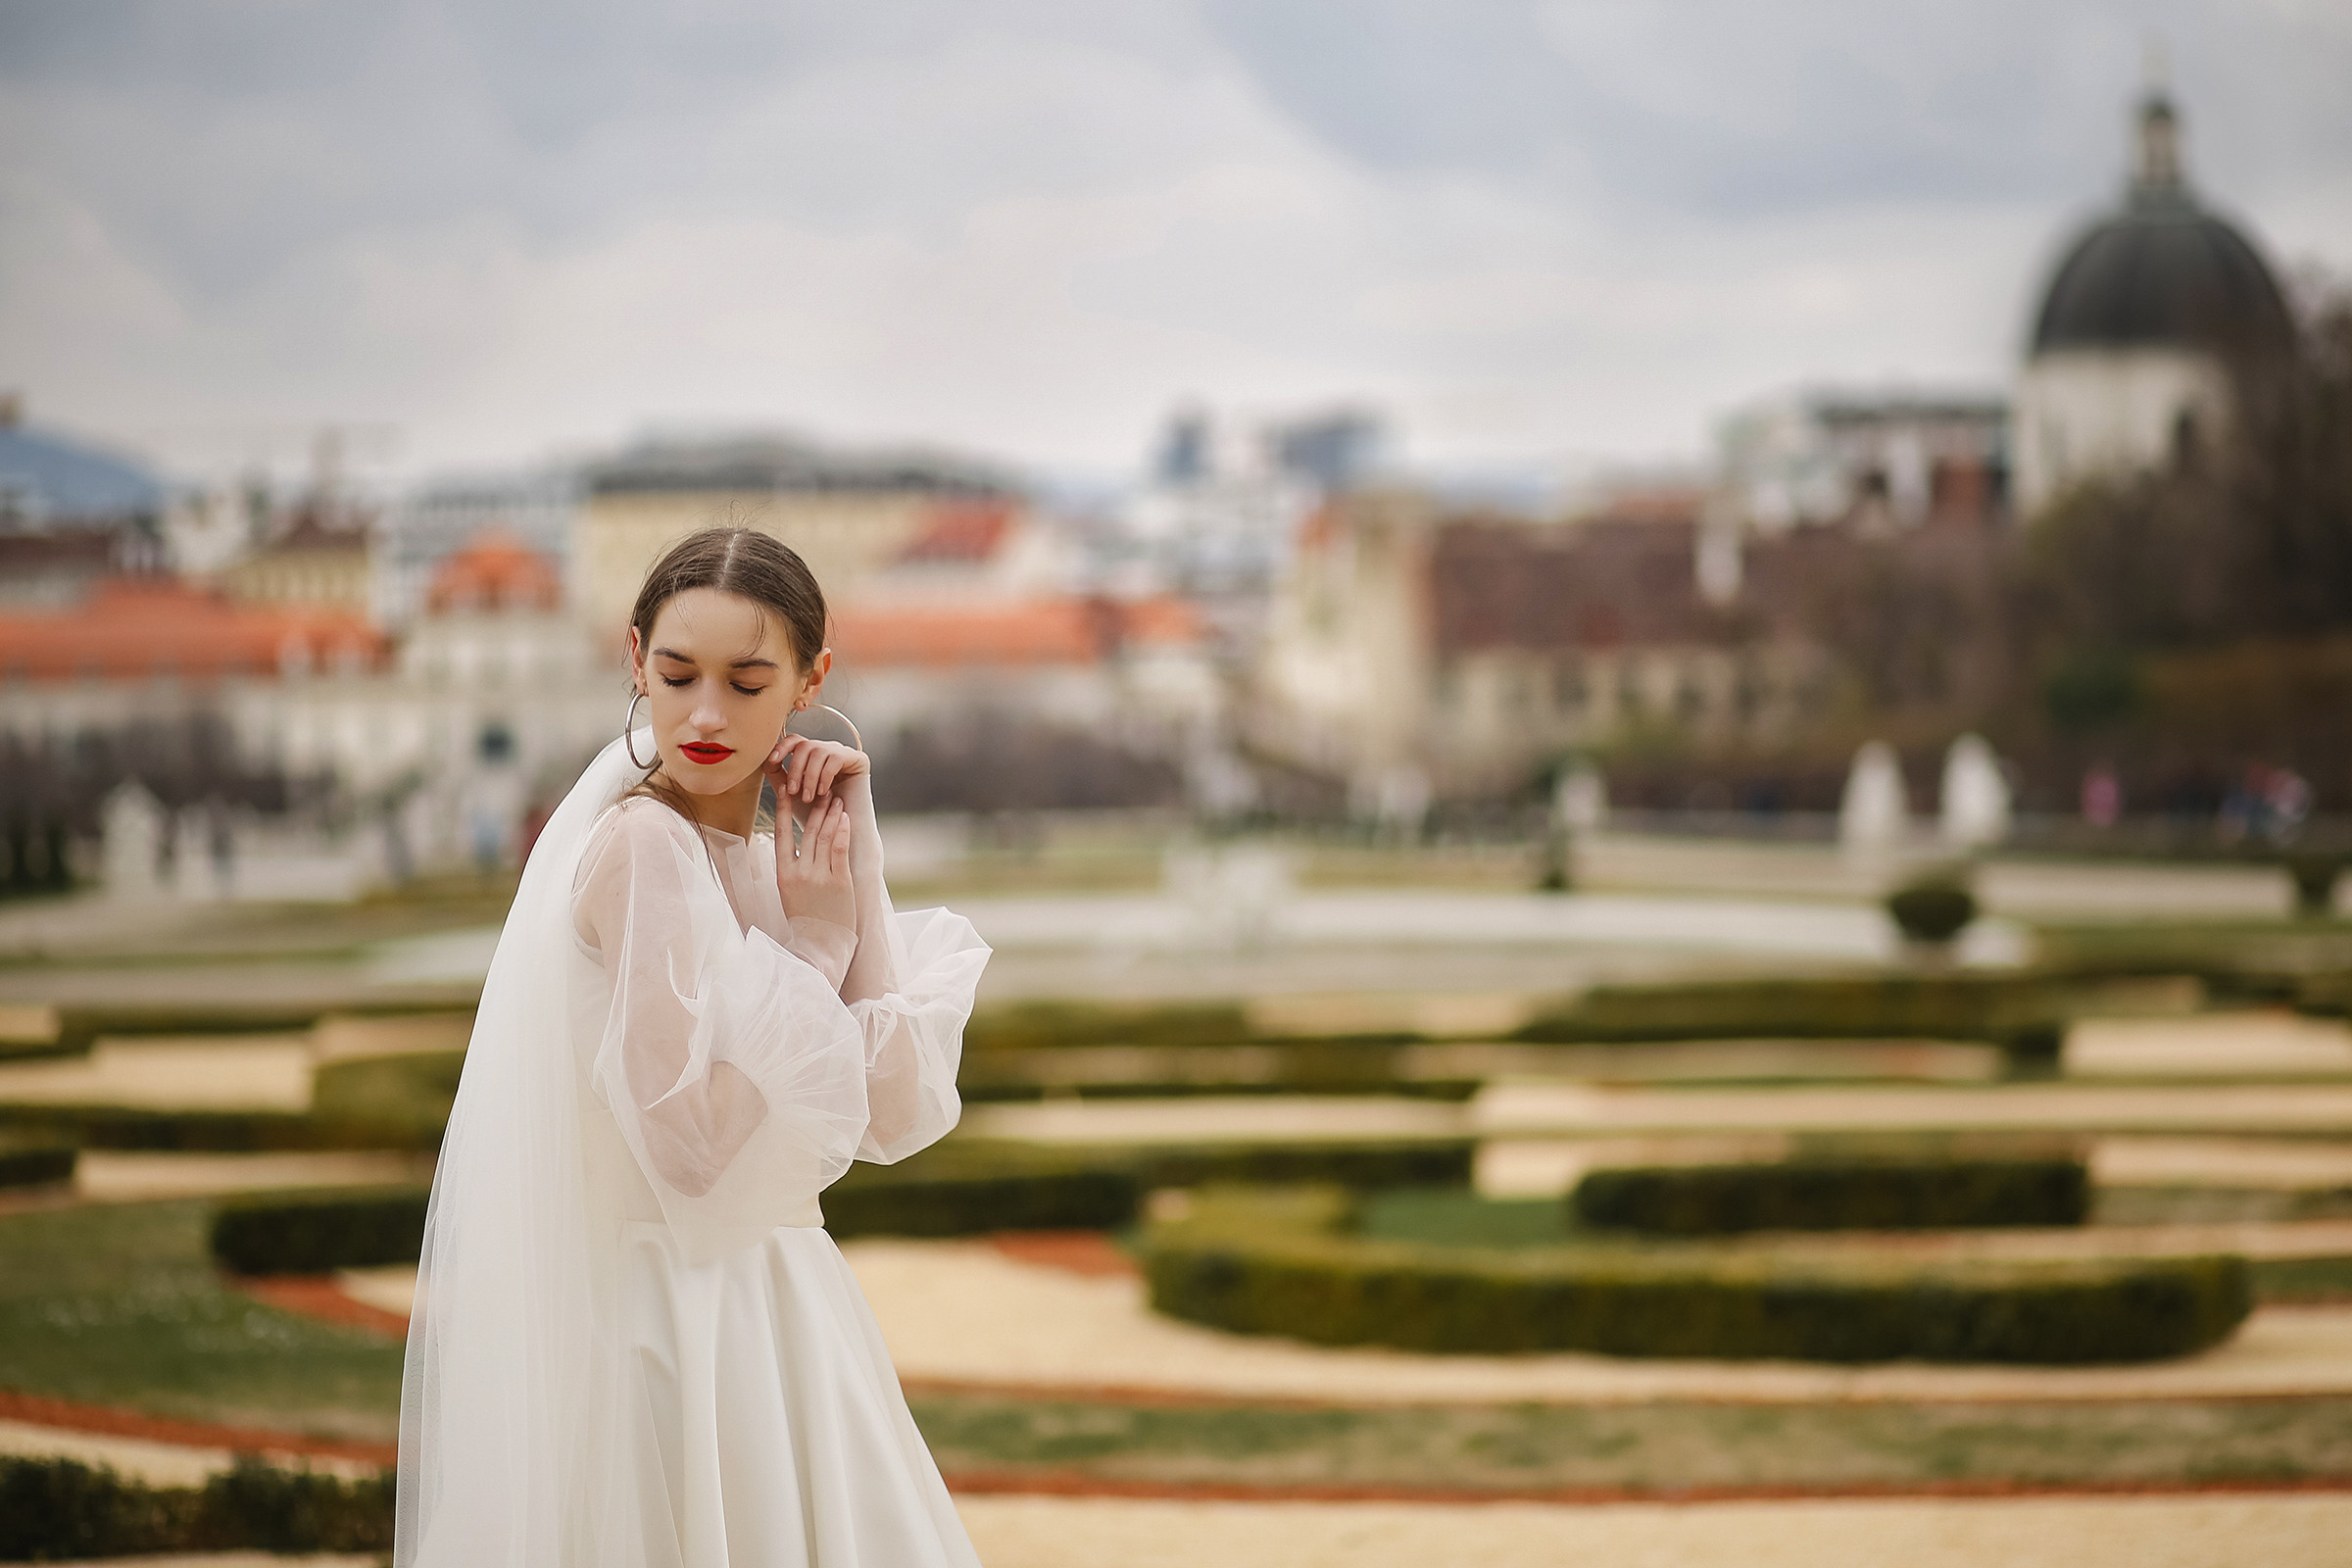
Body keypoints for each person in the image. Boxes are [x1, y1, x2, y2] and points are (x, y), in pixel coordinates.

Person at [397, 528, 991, 1567]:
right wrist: (810, 953)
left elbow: (895, 1108)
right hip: (667, 1326)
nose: (706, 714)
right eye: (677, 675)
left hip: (786, 1316)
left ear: (812, 680)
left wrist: (857, 864)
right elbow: (688, 1148)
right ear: (635, 661)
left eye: (748, 680)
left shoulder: (783, 862)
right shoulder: (638, 848)